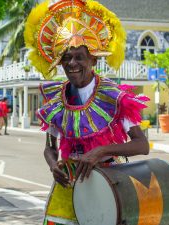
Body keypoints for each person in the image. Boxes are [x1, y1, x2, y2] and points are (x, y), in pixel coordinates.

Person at [24, 0, 150, 224]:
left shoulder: (114, 97)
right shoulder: (57, 100)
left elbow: (142, 145)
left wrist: (101, 151)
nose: (72, 63)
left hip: (110, 183)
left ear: (93, 59)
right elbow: (49, 148)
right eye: (66, 57)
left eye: (79, 57)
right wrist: (54, 166)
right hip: (68, 184)